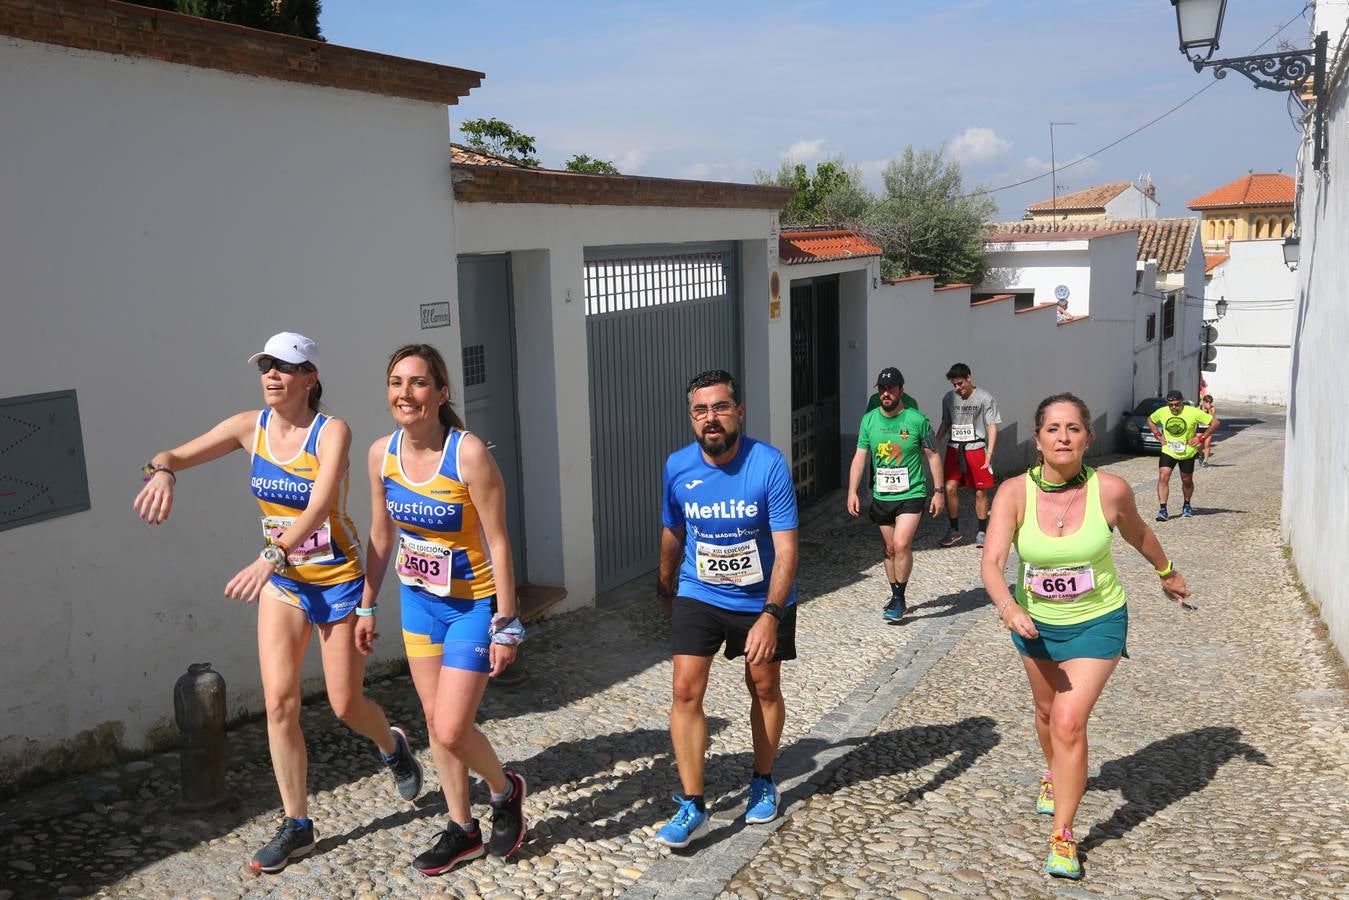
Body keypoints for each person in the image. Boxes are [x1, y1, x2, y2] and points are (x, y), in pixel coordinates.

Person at [132, 332, 423, 874]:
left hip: (336, 581)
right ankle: (298, 825)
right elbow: (172, 452)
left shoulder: (331, 431)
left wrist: (272, 553)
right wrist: (163, 471)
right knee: (280, 704)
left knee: (344, 705)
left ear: (310, 377)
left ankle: (393, 745)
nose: (271, 375)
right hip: (285, 585)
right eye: (265, 365)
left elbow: (317, 506)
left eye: (285, 367)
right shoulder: (250, 426)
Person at [981, 392, 1192, 880]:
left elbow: (1139, 533)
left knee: (1069, 721)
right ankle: (1056, 774)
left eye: (1073, 428)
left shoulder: (1110, 490)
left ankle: (1063, 835)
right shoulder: (1013, 493)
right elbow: (991, 564)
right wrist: (1008, 607)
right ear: (1037, 439)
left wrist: (1167, 571)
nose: (1063, 437)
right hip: (1033, 622)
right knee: (1045, 713)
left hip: (1098, 621)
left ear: (1087, 438)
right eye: (1053, 428)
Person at [360, 344, 527, 875]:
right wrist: (366, 604)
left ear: (441, 391)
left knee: (453, 727)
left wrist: (507, 623)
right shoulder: (380, 454)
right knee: (434, 723)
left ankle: (504, 792)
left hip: (472, 607)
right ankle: (462, 829)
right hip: (418, 604)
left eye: (417, 382)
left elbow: (499, 541)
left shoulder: (468, 453)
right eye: (396, 382)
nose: (404, 393)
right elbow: (382, 535)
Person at [655, 369, 799, 848]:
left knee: (763, 684)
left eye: (719, 407)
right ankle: (693, 803)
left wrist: (770, 616)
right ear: (691, 418)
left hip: (762, 598)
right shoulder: (678, 467)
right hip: (700, 591)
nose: (710, 418)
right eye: (700, 410)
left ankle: (763, 778)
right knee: (685, 690)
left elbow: (787, 548)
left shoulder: (769, 464)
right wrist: (665, 583)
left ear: (739, 411)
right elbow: (673, 529)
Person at [846, 367, 944, 623]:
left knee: (901, 544)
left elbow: (933, 456)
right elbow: (859, 458)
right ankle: (895, 593)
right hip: (883, 494)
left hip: (912, 492)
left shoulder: (917, 420)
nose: (886, 393)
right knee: (890, 549)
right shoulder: (869, 421)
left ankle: (899, 598)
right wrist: (852, 491)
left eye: (891, 389)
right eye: (882, 389)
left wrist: (939, 491)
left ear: (901, 390)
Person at [934, 363, 1002, 548]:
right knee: (949, 488)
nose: (958, 388)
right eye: (954, 385)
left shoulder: (985, 398)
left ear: (969, 378)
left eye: (960, 384)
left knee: (980, 491)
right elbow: (945, 422)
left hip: (977, 448)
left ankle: (981, 532)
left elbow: (992, 426)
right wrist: (934, 442)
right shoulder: (949, 398)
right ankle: (954, 529)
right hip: (954, 448)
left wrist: (989, 452)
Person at [1148, 390, 1218, 520]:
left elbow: (1215, 423)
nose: (1174, 407)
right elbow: (1150, 420)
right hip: (1168, 450)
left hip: (1187, 452)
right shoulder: (1162, 411)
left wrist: (1201, 438)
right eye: (1171, 405)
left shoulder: (1193, 411)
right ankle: (1163, 509)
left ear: (1182, 402)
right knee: (1163, 477)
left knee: (1186, 481)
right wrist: (1158, 435)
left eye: (1177, 404)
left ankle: (1186, 504)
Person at [1198, 395, 1218, 466]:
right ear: (1203, 401)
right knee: (1199, 445)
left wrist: (1209, 410)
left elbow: (1212, 419)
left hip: (1208, 429)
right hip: (1200, 429)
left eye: (1210, 402)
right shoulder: (1198, 408)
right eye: (1207, 402)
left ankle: (1205, 461)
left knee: (1207, 445)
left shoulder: (1212, 409)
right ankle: (1200, 455)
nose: (1208, 404)